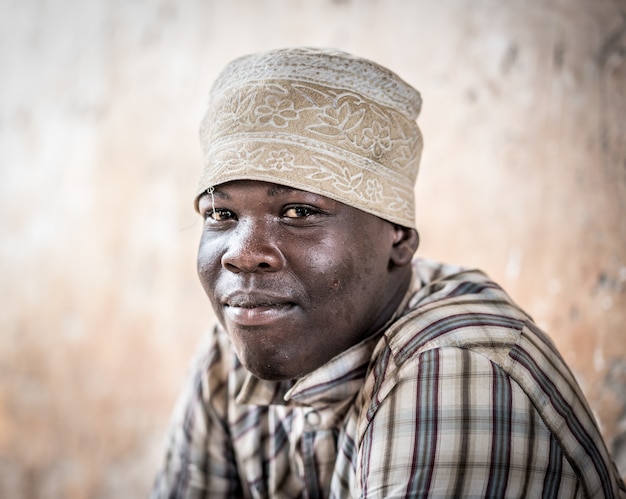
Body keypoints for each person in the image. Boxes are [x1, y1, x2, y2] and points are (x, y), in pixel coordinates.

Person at [151, 47, 626, 498]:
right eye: (220, 214)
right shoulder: (237, 344)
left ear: (398, 237)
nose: (242, 254)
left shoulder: (453, 371)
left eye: (298, 212)